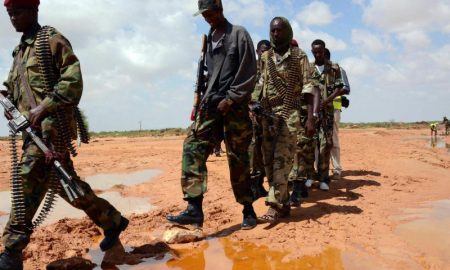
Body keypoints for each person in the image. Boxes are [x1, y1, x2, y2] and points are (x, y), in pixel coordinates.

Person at [0, 0, 128, 269]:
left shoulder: (51, 40)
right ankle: (112, 220)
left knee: (26, 181)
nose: (13, 18)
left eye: (18, 12)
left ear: (33, 11)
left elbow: (72, 81)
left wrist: (44, 108)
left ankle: (11, 252)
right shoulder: (18, 53)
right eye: (9, 14)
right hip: (31, 134)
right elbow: (17, 90)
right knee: (66, 186)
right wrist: (9, 103)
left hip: (52, 130)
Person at [166, 0, 258, 230]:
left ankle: (248, 209)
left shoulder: (239, 33)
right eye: (204, 14)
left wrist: (231, 99)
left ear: (220, 10)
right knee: (192, 147)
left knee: (238, 160)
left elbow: (249, 72)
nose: (207, 18)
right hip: (211, 105)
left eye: (210, 13)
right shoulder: (208, 39)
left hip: (234, 108)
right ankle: (194, 209)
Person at [255, 17, 316, 222]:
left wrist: (310, 118)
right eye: (272, 31)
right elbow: (260, 83)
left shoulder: (299, 56)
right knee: (268, 161)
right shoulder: (266, 57)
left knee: (282, 159)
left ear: (287, 31)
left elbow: (309, 88)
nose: (275, 34)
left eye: (279, 30)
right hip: (267, 114)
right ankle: (284, 203)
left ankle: (273, 205)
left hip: (289, 113)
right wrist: (253, 103)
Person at [307, 40, 345, 191]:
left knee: (325, 146)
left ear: (324, 50)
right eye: (315, 52)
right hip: (311, 114)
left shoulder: (334, 68)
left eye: (320, 51)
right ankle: (310, 175)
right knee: (310, 145)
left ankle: (324, 178)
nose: (318, 54)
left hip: (328, 114)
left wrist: (326, 101)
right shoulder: (308, 68)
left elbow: (341, 88)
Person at [249, 39, 270, 199]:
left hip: (267, 117)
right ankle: (253, 185)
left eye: (267, 51)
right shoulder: (250, 70)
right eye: (262, 50)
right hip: (252, 116)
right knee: (253, 150)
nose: (265, 53)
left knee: (265, 151)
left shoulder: (271, 71)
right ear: (257, 52)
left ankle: (260, 184)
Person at [326, 48, 350, 180]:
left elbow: (346, 88)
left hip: (334, 107)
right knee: (318, 141)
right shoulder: (315, 70)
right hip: (319, 108)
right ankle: (318, 170)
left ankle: (336, 169)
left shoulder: (338, 70)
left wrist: (331, 95)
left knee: (333, 139)